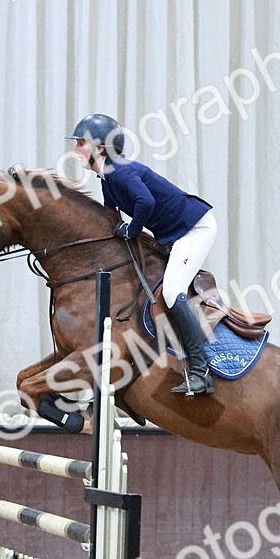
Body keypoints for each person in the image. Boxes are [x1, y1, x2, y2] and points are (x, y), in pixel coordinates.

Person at [67, 113, 217, 396]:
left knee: (171, 292)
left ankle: (201, 371)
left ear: (100, 148)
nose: (75, 150)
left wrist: (133, 229)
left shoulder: (120, 172)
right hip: (175, 233)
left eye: (80, 143)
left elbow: (145, 202)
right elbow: (111, 217)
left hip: (195, 229)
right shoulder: (107, 177)